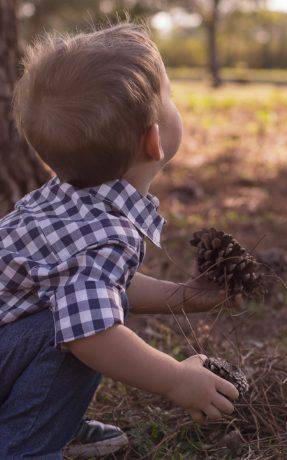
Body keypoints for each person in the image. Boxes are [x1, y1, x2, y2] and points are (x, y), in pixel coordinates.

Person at [0, 21, 240, 459]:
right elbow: (91, 332)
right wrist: (174, 378)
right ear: (154, 140)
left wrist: (182, 295)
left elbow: (104, 287)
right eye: (170, 99)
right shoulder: (104, 233)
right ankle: (24, 445)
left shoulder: (65, 199)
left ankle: (45, 421)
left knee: (72, 312)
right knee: (69, 331)